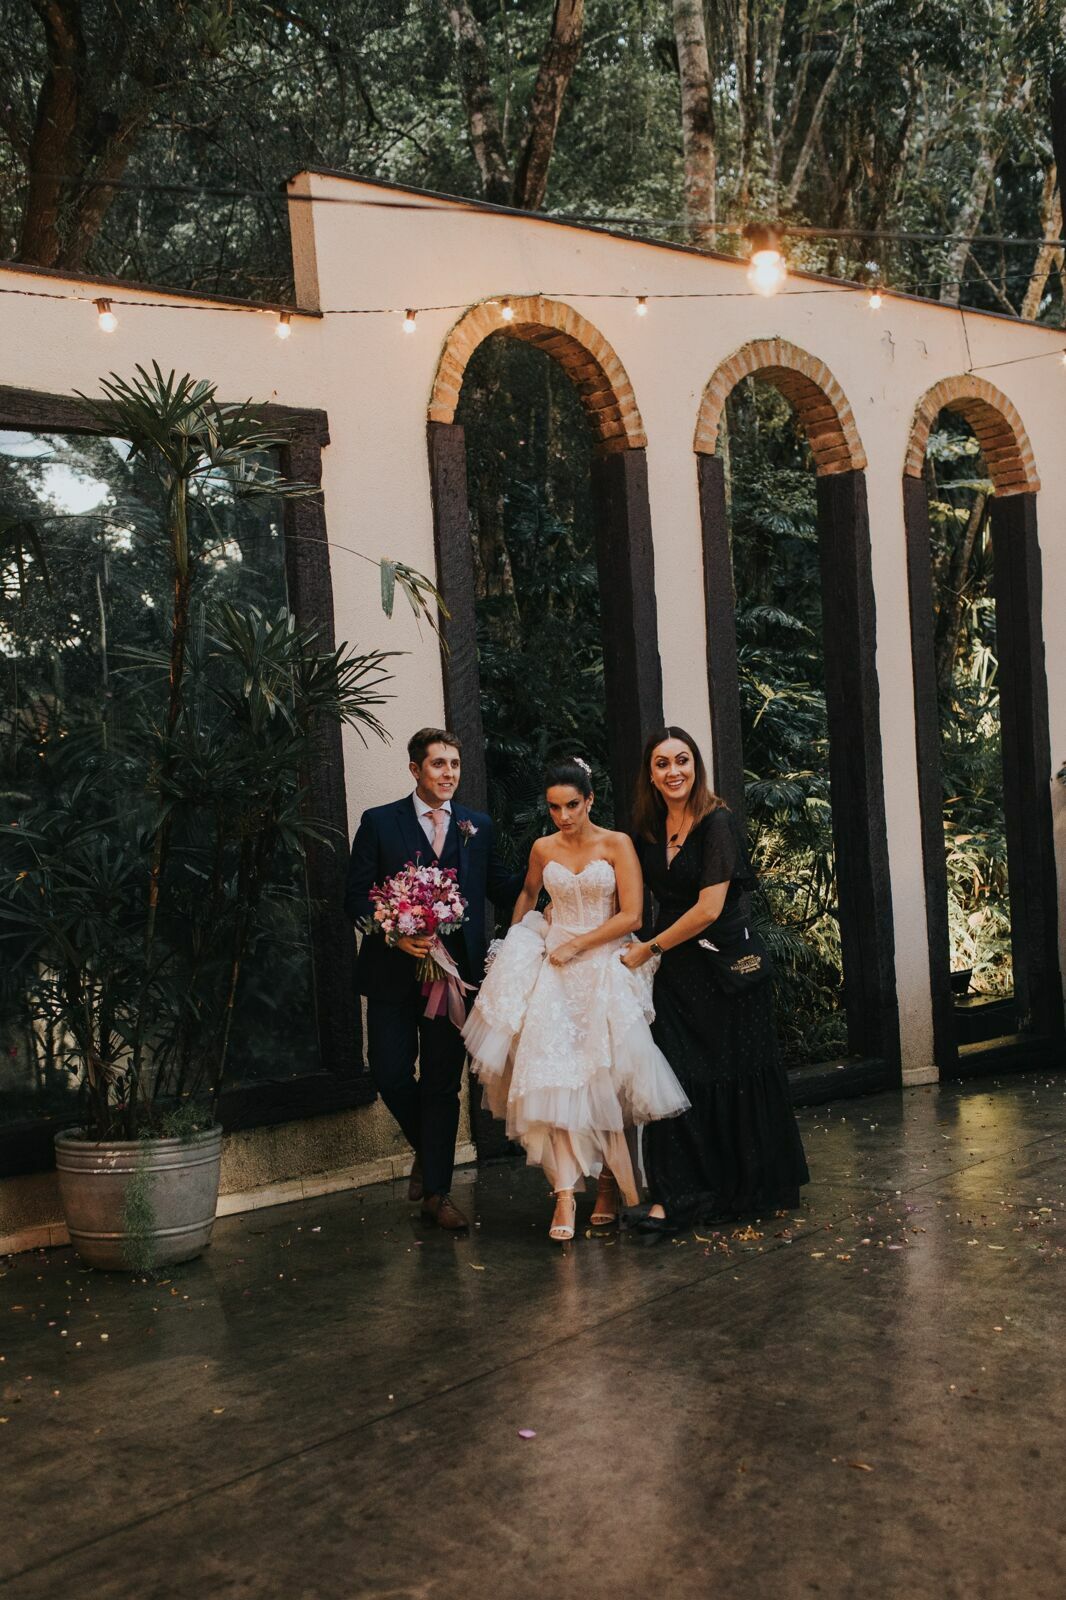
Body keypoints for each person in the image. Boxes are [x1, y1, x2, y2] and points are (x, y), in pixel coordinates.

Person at [463, 757, 689, 1242]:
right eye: (554, 807)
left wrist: (578, 945)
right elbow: (527, 894)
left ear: (589, 801)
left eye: (571, 805)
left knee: (607, 1080)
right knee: (551, 1078)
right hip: (554, 972)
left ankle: (608, 1184)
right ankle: (564, 1191)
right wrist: (518, 942)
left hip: (604, 966)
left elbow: (630, 915)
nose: (563, 816)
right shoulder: (543, 848)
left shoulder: (616, 844)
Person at [621, 726, 809, 1233]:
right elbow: (634, 897)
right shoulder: (649, 828)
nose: (673, 771)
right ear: (651, 775)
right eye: (662, 763)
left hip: (723, 970)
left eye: (682, 760)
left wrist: (649, 949)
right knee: (675, 1078)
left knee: (734, 1072)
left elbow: (708, 909)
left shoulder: (716, 822)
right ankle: (674, 1196)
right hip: (676, 975)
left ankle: (741, 1188)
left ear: (696, 766)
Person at [344, 728, 516, 1231]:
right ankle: (430, 1147)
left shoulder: (476, 826)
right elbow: (356, 897)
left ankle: (437, 1193)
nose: (448, 774)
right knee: (390, 1073)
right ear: (415, 769)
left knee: (442, 1085)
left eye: (455, 765)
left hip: (455, 981)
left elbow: (503, 884)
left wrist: (557, 877)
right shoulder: (380, 823)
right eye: (438, 764)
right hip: (392, 975)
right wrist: (393, 935)